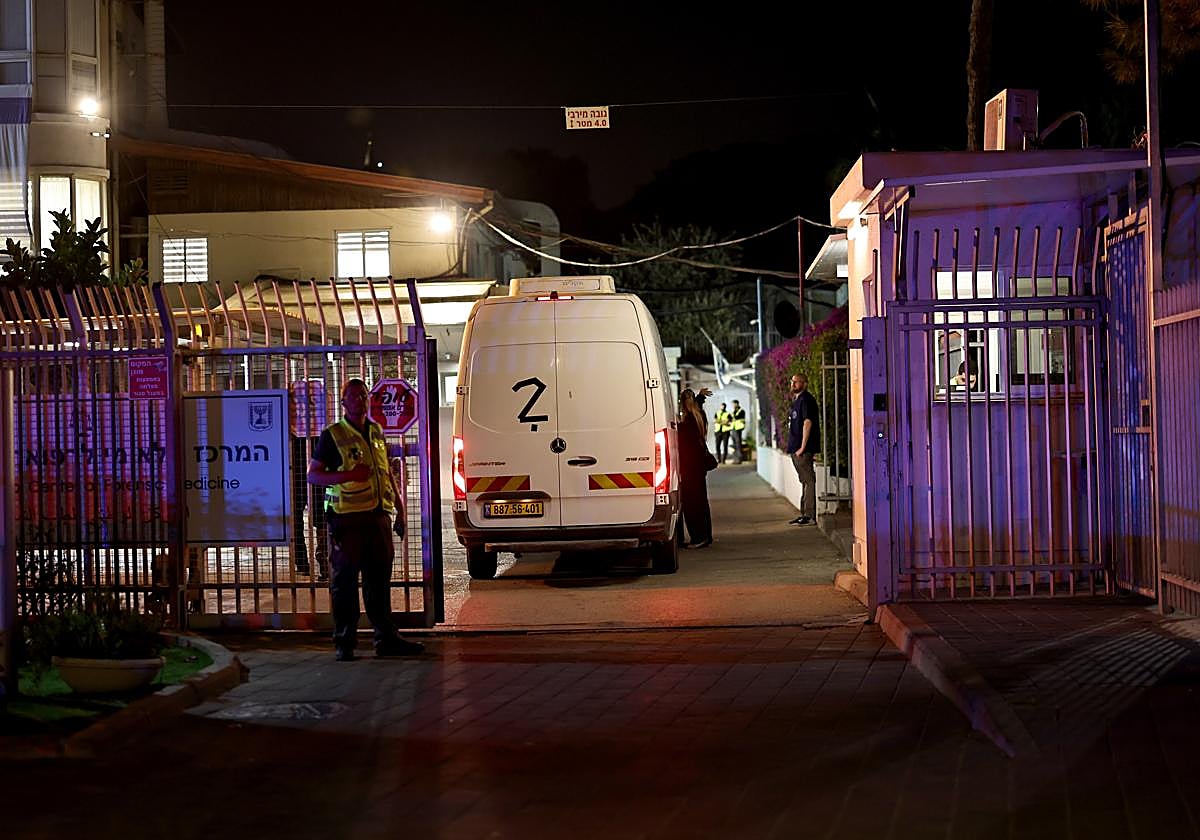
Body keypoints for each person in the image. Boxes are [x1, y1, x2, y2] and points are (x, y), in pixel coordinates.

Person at [308, 378, 424, 661]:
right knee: (345, 584)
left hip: (377, 518)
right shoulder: (332, 435)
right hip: (347, 522)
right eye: (354, 396)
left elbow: (386, 474)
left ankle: (386, 639)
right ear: (343, 402)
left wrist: (398, 506)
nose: (360, 400)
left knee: (379, 582)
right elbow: (314, 475)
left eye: (364, 396)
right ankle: (344, 642)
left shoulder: (376, 432)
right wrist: (348, 476)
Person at [677, 388, 713, 548]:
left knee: (692, 505)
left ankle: (698, 538)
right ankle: (706, 536)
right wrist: (699, 397)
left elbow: (684, 441)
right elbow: (696, 405)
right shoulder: (699, 416)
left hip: (690, 468)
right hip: (699, 467)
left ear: (682, 404)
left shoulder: (688, 422)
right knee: (702, 502)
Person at [786, 374, 821, 526]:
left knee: (809, 481)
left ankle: (809, 515)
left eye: (797, 382)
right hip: (796, 449)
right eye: (792, 381)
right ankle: (804, 514)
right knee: (805, 481)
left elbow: (807, 423)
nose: (793, 384)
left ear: (805, 384)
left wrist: (802, 447)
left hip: (802, 450)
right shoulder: (798, 400)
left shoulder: (806, 400)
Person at [729, 399, 747, 464]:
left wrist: (733, 416)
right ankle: (735, 459)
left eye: (733, 404)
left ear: (736, 404)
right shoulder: (734, 411)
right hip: (733, 429)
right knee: (734, 445)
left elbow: (737, 418)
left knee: (738, 444)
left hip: (738, 429)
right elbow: (731, 419)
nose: (732, 405)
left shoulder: (741, 411)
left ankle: (739, 459)